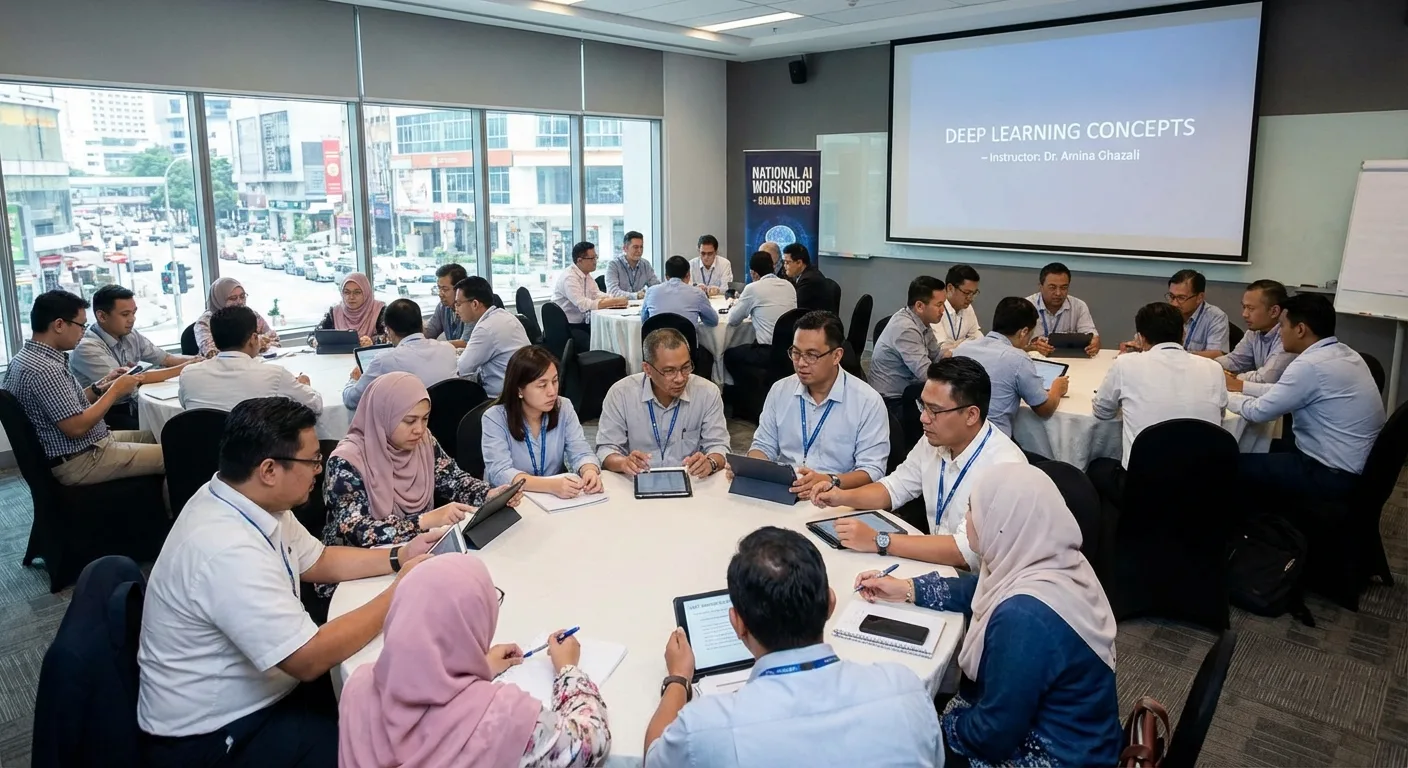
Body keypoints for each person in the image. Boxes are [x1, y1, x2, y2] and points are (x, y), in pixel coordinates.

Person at [137, 397, 445, 767]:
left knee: (386, 701)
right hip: (217, 734)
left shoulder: (246, 499)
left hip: (264, 688)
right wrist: (402, 591)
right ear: (269, 469)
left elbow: (319, 558)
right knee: (383, 746)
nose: (319, 470)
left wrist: (400, 556)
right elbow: (308, 658)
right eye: (313, 460)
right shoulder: (225, 548)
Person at [856, 466, 1121, 767]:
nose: (967, 519)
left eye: (973, 510)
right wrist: (907, 589)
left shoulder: (1023, 617)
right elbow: (980, 589)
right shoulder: (1052, 561)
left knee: (891, 744)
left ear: (1004, 523)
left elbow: (992, 734)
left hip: (1054, 755)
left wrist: (925, 728)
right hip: (1084, 735)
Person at [643, 527, 943, 767]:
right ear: (830, 603)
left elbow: (654, 758)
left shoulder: (704, 728)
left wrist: (678, 679)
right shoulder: (905, 689)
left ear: (737, 624)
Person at [339, 554, 611, 767]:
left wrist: (480, 667)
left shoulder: (358, 685)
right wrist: (568, 669)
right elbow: (591, 741)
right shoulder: (502, 717)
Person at [813, 357, 1027, 571]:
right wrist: (841, 496)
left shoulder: (1004, 468)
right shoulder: (934, 441)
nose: (923, 418)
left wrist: (879, 540)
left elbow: (966, 552)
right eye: (923, 406)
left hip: (978, 586)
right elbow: (895, 487)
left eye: (934, 410)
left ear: (971, 415)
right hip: (935, 564)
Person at [322, 372, 516, 553]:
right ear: (382, 416)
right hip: (359, 566)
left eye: (425, 419)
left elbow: (453, 480)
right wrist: (424, 521)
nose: (419, 429)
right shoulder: (346, 461)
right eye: (409, 421)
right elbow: (357, 531)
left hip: (419, 550)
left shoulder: (423, 442)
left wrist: (488, 494)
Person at [1228, 292, 1385, 500]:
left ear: (1300, 329)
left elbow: (1258, 412)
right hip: (1353, 464)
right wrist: (1241, 386)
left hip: (1328, 473)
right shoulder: (1343, 352)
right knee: (1259, 444)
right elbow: (1284, 391)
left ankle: (1249, 526)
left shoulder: (1309, 366)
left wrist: (1221, 394)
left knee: (1227, 465)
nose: (1280, 332)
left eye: (1282, 326)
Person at [3, 290, 163, 486]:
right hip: (82, 458)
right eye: (81, 325)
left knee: (163, 433)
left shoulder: (27, 359)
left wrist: (100, 387)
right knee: (175, 453)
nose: (83, 332)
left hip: (87, 445)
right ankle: (174, 514)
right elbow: (76, 427)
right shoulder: (46, 370)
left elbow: (66, 408)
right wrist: (115, 391)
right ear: (59, 325)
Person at [1086, 302, 1228, 509]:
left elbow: (1102, 412)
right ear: (1183, 333)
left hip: (1143, 484)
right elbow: (1220, 417)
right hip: (1204, 484)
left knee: (1096, 466)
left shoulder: (1126, 364)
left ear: (1141, 337)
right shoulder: (1214, 369)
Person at [738, 311, 889, 500]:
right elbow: (763, 445)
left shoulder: (867, 401)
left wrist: (828, 480)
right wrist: (754, 469)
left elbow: (871, 470)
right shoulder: (780, 390)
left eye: (811, 355)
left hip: (836, 499)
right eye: (796, 353)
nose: (801, 363)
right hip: (785, 492)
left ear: (836, 356)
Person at [596, 328, 730, 478]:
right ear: (647, 369)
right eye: (669, 371)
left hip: (691, 480)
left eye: (686, 368)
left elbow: (719, 446)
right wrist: (623, 462)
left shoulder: (707, 392)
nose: (680, 378)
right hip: (637, 479)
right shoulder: (621, 393)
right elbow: (606, 449)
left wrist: (710, 462)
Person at [69, 284, 199, 430]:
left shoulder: (130, 334)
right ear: (102, 316)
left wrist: (199, 361)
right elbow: (125, 384)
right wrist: (184, 367)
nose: (132, 319)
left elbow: (166, 358)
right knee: (173, 430)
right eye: (125, 314)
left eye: (134, 312)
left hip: (135, 404)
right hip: (108, 414)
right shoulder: (87, 347)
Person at [482, 346, 604, 497]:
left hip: (557, 498)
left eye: (555, 381)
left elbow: (580, 451)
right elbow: (500, 472)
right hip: (514, 499)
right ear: (519, 390)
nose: (552, 391)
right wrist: (550, 486)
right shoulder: (494, 418)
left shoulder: (563, 406)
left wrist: (589, 470)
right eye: (542, 385)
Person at [954, 297, 1068, 436]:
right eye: (1030, 335)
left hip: (957, 433)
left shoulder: (962, 348)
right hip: (993, 443)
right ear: (1024, 332)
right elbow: (1045, 410)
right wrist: (1057, 388)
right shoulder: (1018, 359)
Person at [179, 306, 323, 414]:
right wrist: (305, 386)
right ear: (254, 338)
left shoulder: (188, 374)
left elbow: (185, 404)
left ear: (215, 341)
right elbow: (315, 405)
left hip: (201, 452)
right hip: (256, 452)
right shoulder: (274, 375)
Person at [342, 298, 457, 411]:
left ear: (389, 330)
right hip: (448, 424)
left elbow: (352, 400)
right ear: (422, 325)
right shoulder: (449, 350)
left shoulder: (385, 360)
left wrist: (353, 380)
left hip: (408, 426)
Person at [868, 276, 946, 412]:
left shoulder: (922, 321)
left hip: (908, 390)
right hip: (890, 402)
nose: (943, 310)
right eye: (939, 305)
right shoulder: (906, 328)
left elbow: (936, 355)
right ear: (920, 306)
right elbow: (926, 374)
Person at [721, 251, 798, 374]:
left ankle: (748, 389)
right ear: (773, 267)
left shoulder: (753, 288)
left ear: (753, 273)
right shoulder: (789, 286)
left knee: (730, 355)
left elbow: (733, 320)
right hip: (791, 350)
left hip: (767, 352)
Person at [455, 276, 530, 397]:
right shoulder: (504, 316)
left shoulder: (485, 328)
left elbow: (462, 369)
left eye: (458, 304)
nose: (456, 309)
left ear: (474, 304)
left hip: (500, 398)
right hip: (522, 389)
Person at [551, 241, 628, 351]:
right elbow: (583, 304)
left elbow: (596, 294)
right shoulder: (570, 278)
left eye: (595, 257)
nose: (595, 261)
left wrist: (612, 298)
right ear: (579, 260)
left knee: (608, 337)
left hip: (581, 323)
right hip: (566, 327)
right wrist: (613, 301)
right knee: (600, 345)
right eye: (591, 259)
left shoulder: (586, 276)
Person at [1218, 279, 1296, 386]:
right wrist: (1210, 366)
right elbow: (1235, 360)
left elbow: (1267, 378)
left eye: (1251, 308)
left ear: (1274, 311)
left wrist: (1233, 378)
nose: (1244, 314)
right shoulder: (1254, 331)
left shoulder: (1289, 335)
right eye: (1244, 307)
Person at [1025, 262, 1099, 356]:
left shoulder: (1079, 306)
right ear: (1040, 287)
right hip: (1034, 361)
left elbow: (1092, 335)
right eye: (1052, 287)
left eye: (1064, 288)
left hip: (1070, 361)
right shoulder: (1026, 306)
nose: (1058, 293)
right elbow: (1012, 345)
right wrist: (1032, 347)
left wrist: (1094, 343)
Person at [194, 277, 278, 357]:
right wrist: (257, 342)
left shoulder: (251, 314)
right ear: (219, 299)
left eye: (242, 296)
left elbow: (274, 338)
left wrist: (255, 343)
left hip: (255, 365)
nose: (239, 302)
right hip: (220, 369)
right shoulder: (205, 323)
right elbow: (212, 354)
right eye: (233, 298)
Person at [1163, 269, 1229, 355]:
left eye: (1181, 298)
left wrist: (1181, 357)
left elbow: (1217, 354)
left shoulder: (1216, 317)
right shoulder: (1165, 314)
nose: (1174, 304)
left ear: (1199, 297)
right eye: (1171, 296)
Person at [310, 272, 385, 348]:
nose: (351, 297)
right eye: (347, 292)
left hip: (371, 357)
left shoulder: (379, 310)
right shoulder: (335, 312)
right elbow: (314, 335)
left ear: (366, 292)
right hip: (339, 358)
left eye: (357, 292)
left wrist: (373, 341)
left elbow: (390, 336)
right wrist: (315, 341)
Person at [640, 255, 719, 327]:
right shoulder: (697, 294)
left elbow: (645, 320)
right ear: (688, 275)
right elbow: (713, 321)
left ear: (666, 276)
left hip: (656, 341)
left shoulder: (651, 292)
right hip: (686, 342)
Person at [934, 264, 984, 355]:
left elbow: (978, 337)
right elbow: (941, 349)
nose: (970, 298)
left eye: (974, 293)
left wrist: (957, 345)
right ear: (950, 288)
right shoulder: (936, 308)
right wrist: (966, 342)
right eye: (967, 293)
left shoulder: (967, 307)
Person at [425, 263, 472, 349]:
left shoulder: (471, 308)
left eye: (445, 289)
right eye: (439, 288)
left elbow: (466, 343)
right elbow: (429, 332)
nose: (440, 294)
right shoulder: (442, 307)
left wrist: (437, 345)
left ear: (459, 289)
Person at [605, 230, 660, 298]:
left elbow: (656, 287)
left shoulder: (645, 264)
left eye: (641, 247)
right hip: (620, 306)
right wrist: (636, 295)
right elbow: (613, 292)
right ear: (625, 248)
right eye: (635, 247)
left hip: (639, 306)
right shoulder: (613, 265)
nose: (639, 251)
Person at [781, 243, 828, 312]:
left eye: (787, 262)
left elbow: (797, 307)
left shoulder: (808, 281)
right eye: (784, 262)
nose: (784, 266)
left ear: (799, 263)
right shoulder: (810, 273)